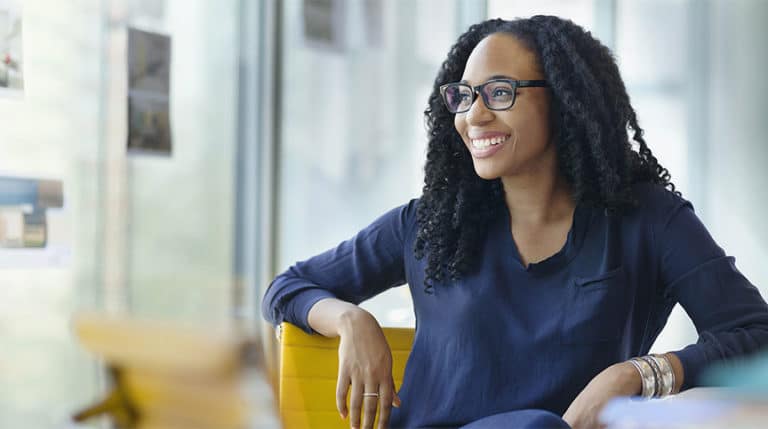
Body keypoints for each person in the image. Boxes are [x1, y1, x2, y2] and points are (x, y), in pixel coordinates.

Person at [262, 16, 768, 429]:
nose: (473, 115)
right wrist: (353, 319)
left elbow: (755, 332)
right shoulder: (433, 222)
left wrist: (636, 375)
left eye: (500, 92)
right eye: (463, 96)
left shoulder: (647, 220)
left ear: (567, 102)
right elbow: (287, 287)